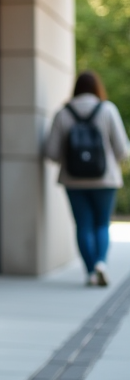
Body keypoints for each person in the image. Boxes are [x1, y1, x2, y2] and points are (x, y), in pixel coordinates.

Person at [44, 70, 130, 286]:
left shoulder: (63, 113)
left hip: (73, 180)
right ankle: (101, 262)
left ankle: (91, 271)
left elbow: (51, 153)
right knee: (102, 224)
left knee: (83, 225)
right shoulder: (108, 110)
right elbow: (122, 150)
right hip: (105, 179)